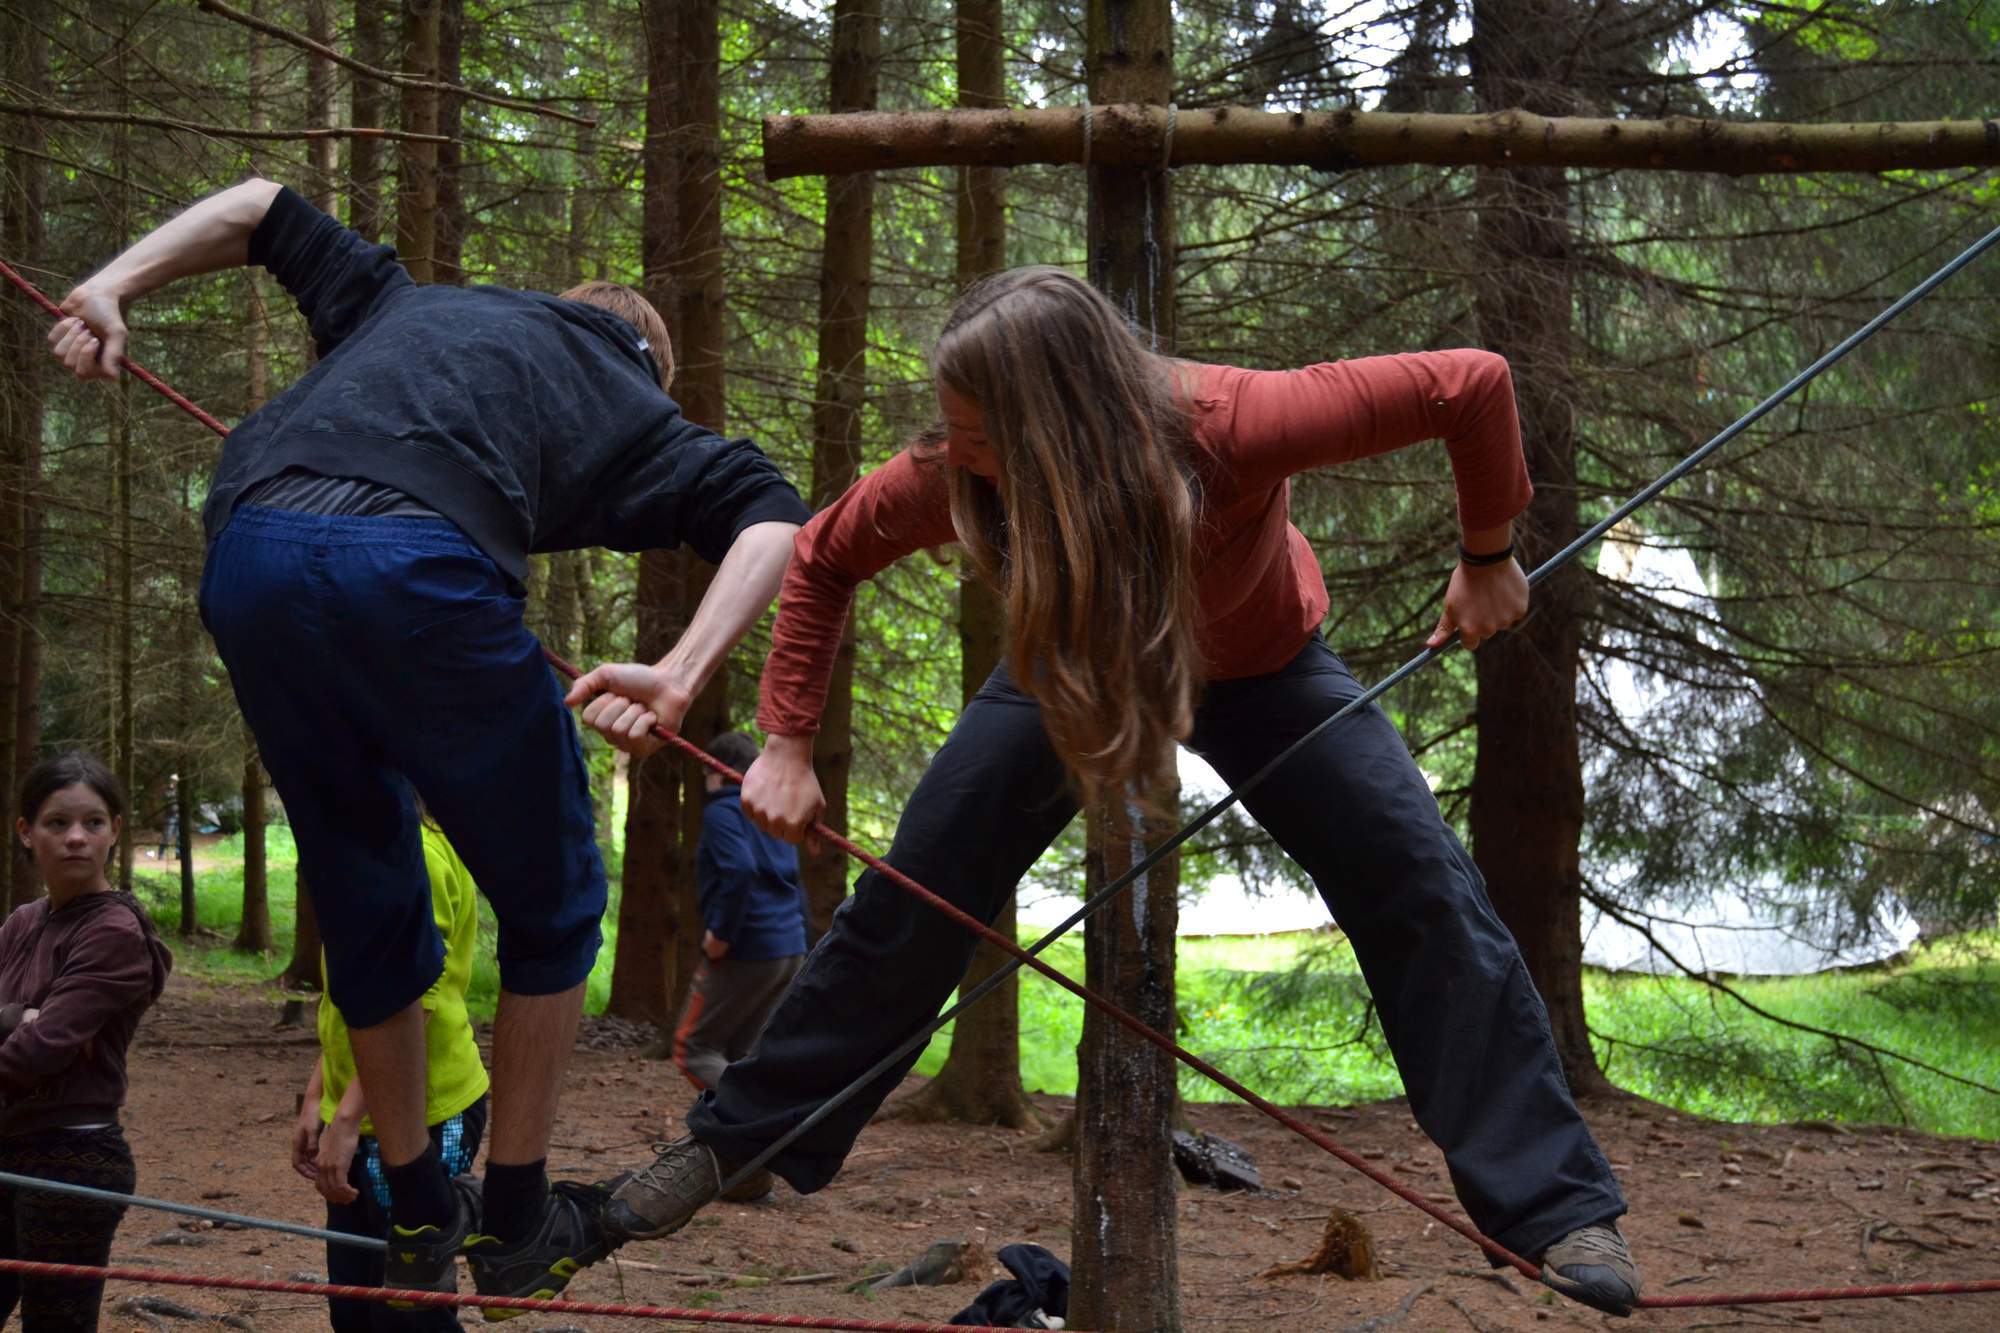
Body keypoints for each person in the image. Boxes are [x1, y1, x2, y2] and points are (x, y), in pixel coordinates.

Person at [583, 267, 1645, 1315]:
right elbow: (821, 554)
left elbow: (1469, 382)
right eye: (949, 430)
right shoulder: (954, 468)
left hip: (1264, 668)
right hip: (1067, 666)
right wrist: (787, 742)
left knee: (1417, 880)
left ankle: (1552, 1208)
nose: (957, 454)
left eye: (980, 434)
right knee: (916, 890)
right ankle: (730, 1146)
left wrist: (1486, 551)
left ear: (1064, 424)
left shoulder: (1231, 420)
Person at [48, 178, 810, 1307]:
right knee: (551, 899)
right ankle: (512, 1215)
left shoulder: (406, 305)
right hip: (416, 566)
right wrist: (682, 675)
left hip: (249, 547)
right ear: (645, 363)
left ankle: (410, 1205)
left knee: (368, 893)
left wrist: (108, 286)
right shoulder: (623, 389)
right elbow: (773, 512)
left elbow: (260, 204)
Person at [292, 816, 493, 1330]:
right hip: (362, 1106)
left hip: (424, 1112)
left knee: (411, 1306)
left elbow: (412, 1005)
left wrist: (345, 1122)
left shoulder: (417, 857)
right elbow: (353, 1003)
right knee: (354, 1302)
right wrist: (319, 1098)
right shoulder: (368, 845)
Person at [0, 752, 173, 1331]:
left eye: (93, 823)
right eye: (57, 823)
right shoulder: (23, 922)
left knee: (56, 1325)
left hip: (72, 1161)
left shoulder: (115, 931)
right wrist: (16, 1016)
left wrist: (31, 1025)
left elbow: (38, 1050)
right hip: (8, 1149)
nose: (76, 838)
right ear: (26, 832)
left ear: (115, 831)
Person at [672, 732, 808, 1099]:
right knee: (739, 1054)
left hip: (747, 947)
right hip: (787, 950)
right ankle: (740, 1144)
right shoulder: (772, 811)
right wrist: (801, 939)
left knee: (694, 1051)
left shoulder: (723, 810)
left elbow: (740, 870)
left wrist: (721, 934)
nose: (705, 782)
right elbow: (794, 880)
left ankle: (761, 1123)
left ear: (720, 770)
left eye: (706, 773)